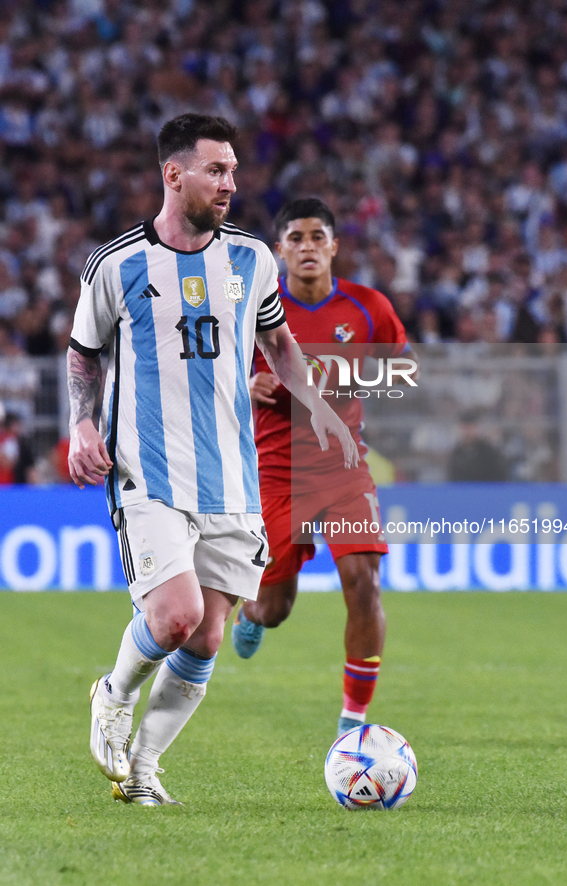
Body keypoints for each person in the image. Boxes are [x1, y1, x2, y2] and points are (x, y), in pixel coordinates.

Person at [67, 116, 357, 807]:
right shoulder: (117, 264)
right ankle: (111, 693)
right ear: (175, 174)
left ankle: (142, 769)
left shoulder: (252, 260)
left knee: (204, 635)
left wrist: (317, 410)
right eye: (216, 171)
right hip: (149, 471)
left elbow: (277, 342)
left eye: (232, 170)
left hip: (231, 475)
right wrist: (82, 423)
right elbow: (84, 351)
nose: (230, 183)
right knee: (172, 616)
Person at [231, 198, 413, 737]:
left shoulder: (367, 307)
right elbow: (208, 377)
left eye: (317, 237)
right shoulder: (253, 308)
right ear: (279, 249)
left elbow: (403, 373)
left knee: (363, 583)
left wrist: (345, 383)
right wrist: (247, 385)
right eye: (296, 238)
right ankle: (250, 616)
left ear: (334, 246)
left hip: (344, 468)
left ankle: (351, 724)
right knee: (274, 606)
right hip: (277, 471)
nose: (307, 247)